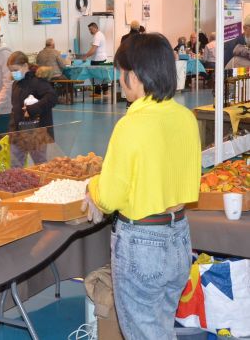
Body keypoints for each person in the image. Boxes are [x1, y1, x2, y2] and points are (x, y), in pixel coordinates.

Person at [83, 33, 201, 340]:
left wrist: (92, 186)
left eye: (121, 72)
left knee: (143, 334)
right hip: (179, 238)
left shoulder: (131, 124)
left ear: (133, 75)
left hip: (142, 243)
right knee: (161, 328)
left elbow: (109, 197)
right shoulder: (185, 117)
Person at [7, 51, 57, 167]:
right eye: (11, 71)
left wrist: (32, 109)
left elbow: (52, 98)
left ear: (25, 66)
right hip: (18, 131)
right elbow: (15, 108)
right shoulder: (16, 84)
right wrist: (12, 129)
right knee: (15, 164)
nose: (13, 73)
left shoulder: (38, 82)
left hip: (36, 130)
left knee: (40, 163)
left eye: (15, 69)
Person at [83, 22, 108, 96]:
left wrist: (86, 56)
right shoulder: (100, 34)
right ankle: (105, 90)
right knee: (103, 75)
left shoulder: (97, 36)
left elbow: (93, 49)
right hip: (102, 58)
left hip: (97, 59)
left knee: (95, 75)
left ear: (95, 28)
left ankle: (97, 92)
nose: (90, 31)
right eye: (89, 29)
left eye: (91, 29)